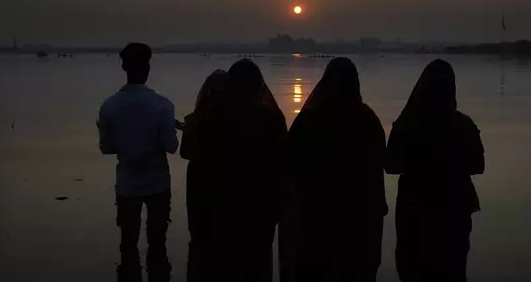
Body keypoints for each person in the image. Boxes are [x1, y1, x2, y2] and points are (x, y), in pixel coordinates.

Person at [286, 57, 388, 282]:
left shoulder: (309, 120)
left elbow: (288, 161)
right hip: (359, 222)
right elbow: (385, 162)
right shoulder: (368, 120)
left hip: (318, 220)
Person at [186, 58, 287, 281]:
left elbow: (197, 175)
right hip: (257, 219)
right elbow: (282, 171)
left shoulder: (211, 119)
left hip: (218, 217)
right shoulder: (271, 120)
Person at [385, 59, 485, 282]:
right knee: (452, 270)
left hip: (415, 211)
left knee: (414, 270)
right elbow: (479, 166)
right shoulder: (463, 125)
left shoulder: (406, 124)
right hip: (454, 210)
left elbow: (390, 166)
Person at [97, 43, 179, 282]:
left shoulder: (109, 106)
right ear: (148, 69)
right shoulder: (163, 105)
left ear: (124, 67)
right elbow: (172, 147)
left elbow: (107, 148)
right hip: (158, 184)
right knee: (158, 244)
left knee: (128, 244)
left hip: (127, 185)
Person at [178, 69, 229, 281]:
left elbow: (185, 152)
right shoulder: (235, 118)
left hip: (199, 179)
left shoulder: (196, 119)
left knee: (199, 235)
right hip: (225, 180)